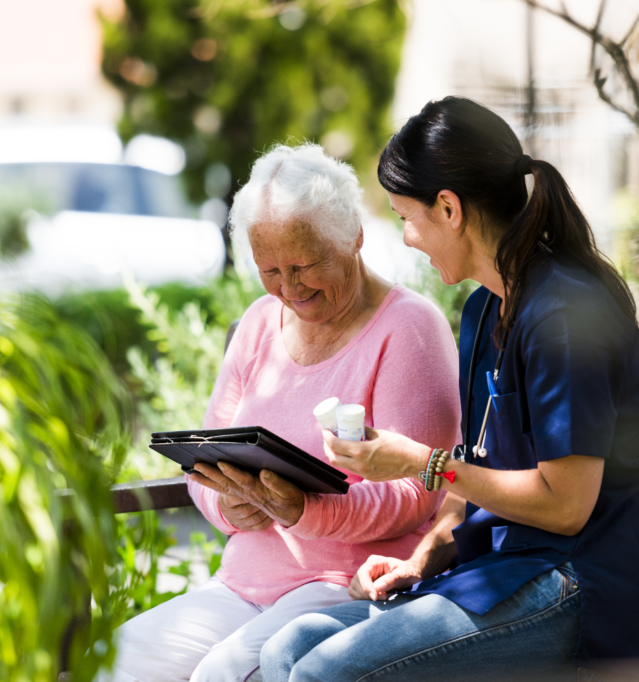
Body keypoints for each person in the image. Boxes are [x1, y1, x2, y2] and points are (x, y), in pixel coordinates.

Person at [260, 98, 639, 682]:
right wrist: (422, 558)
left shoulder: (564, 312)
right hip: (502, 574)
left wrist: (423, 464)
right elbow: (480, 462)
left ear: (449, 208)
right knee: (287, 650)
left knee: (322, 674)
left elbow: (566, 503)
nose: (406, 238)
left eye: (407, 216)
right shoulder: (484, 310)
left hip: (580, 590)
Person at [105, 144, 463, 682]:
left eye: (304, 265)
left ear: (353, 238)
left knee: (221, 676)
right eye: (269, 269)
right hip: (241, 586)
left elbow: (417, 494)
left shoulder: (410, 328)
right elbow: (204, 462)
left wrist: (303, 511)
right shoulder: (257, 324)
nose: (289, 288)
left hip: (346, 585)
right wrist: (232, 504)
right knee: (118, 660)